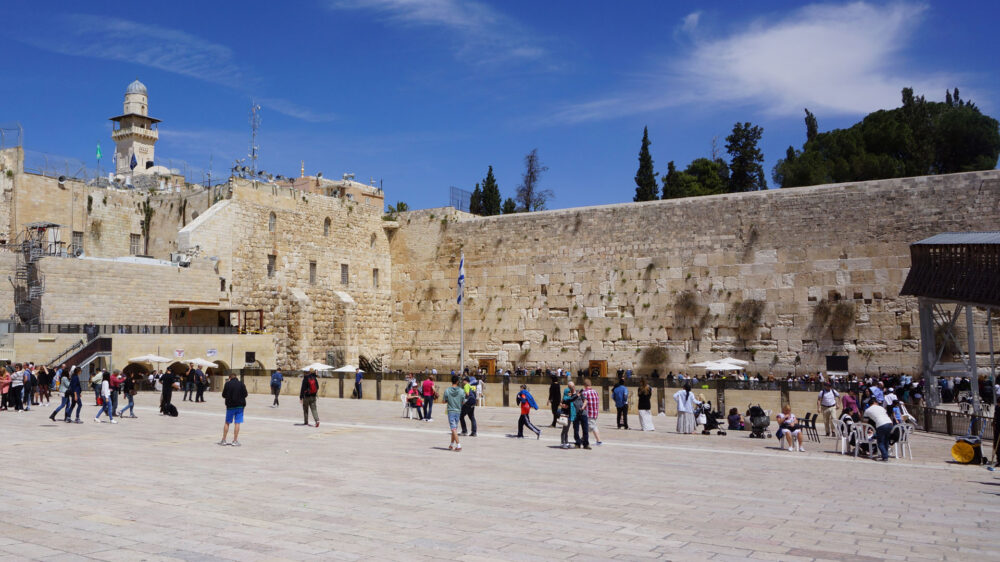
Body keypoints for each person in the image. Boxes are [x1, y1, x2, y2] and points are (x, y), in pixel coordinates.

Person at [220, 371, 248, 446]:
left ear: (229, 378)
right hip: (240, 406)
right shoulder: (241, 384)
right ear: (236, 377)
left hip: (230, 406)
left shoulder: (227, 384)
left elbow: (223, 395)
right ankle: (235, 441)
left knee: (227, 422)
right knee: (237, 423)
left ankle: (224, 440)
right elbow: (245, 394)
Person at [444, 375, 465, 451]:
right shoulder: (462, 391)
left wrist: (449, 400)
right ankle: (451, 444)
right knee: (454, 428)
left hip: (451, 411)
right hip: (458, 411)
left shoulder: (447, 390)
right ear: (457, 381)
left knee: (453, 429)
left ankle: (458, 445)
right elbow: (463, 401)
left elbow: (444, 401)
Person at [581, 379, 602, 445]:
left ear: (584, 385)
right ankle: (583, 439)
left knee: (592, 426)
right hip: (595, 412)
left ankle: (599, 441)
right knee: (590, 426)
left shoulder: (584, 393)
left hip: (588, 413)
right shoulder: (595, 391)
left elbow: (582, 403)